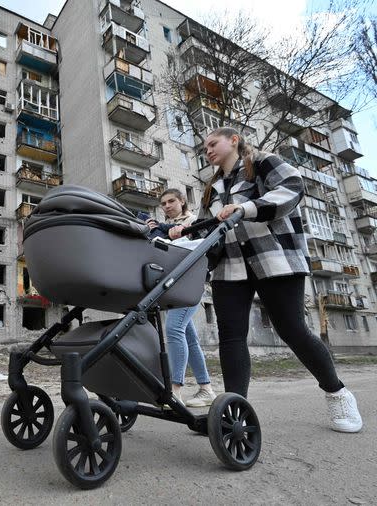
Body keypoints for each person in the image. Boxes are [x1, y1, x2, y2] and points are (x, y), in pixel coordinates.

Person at [170, 126, 362, 432]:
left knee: (293, 330)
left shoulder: (262, 162)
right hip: (230, 267)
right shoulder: (213, 186)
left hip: (275, 260)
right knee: (231, 336)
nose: (207, 151)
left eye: (212, 144)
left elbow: (291, 188)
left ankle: (337, 392)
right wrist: (186, 231)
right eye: (204, 148)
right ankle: (234, 414)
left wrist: (245, 208)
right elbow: (212, 228)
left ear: (233, 140)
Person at [146, 189, 216, 407]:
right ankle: (206, 389)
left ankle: (175, 389)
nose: (167, 206)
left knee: (174, 329)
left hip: (192, 284)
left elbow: (204, 248)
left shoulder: (194, 221)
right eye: (163, 203)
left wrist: (183, 232)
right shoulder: (166, 227)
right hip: (175, 285)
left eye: (171, 201)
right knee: (189, 337)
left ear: (183, 201)